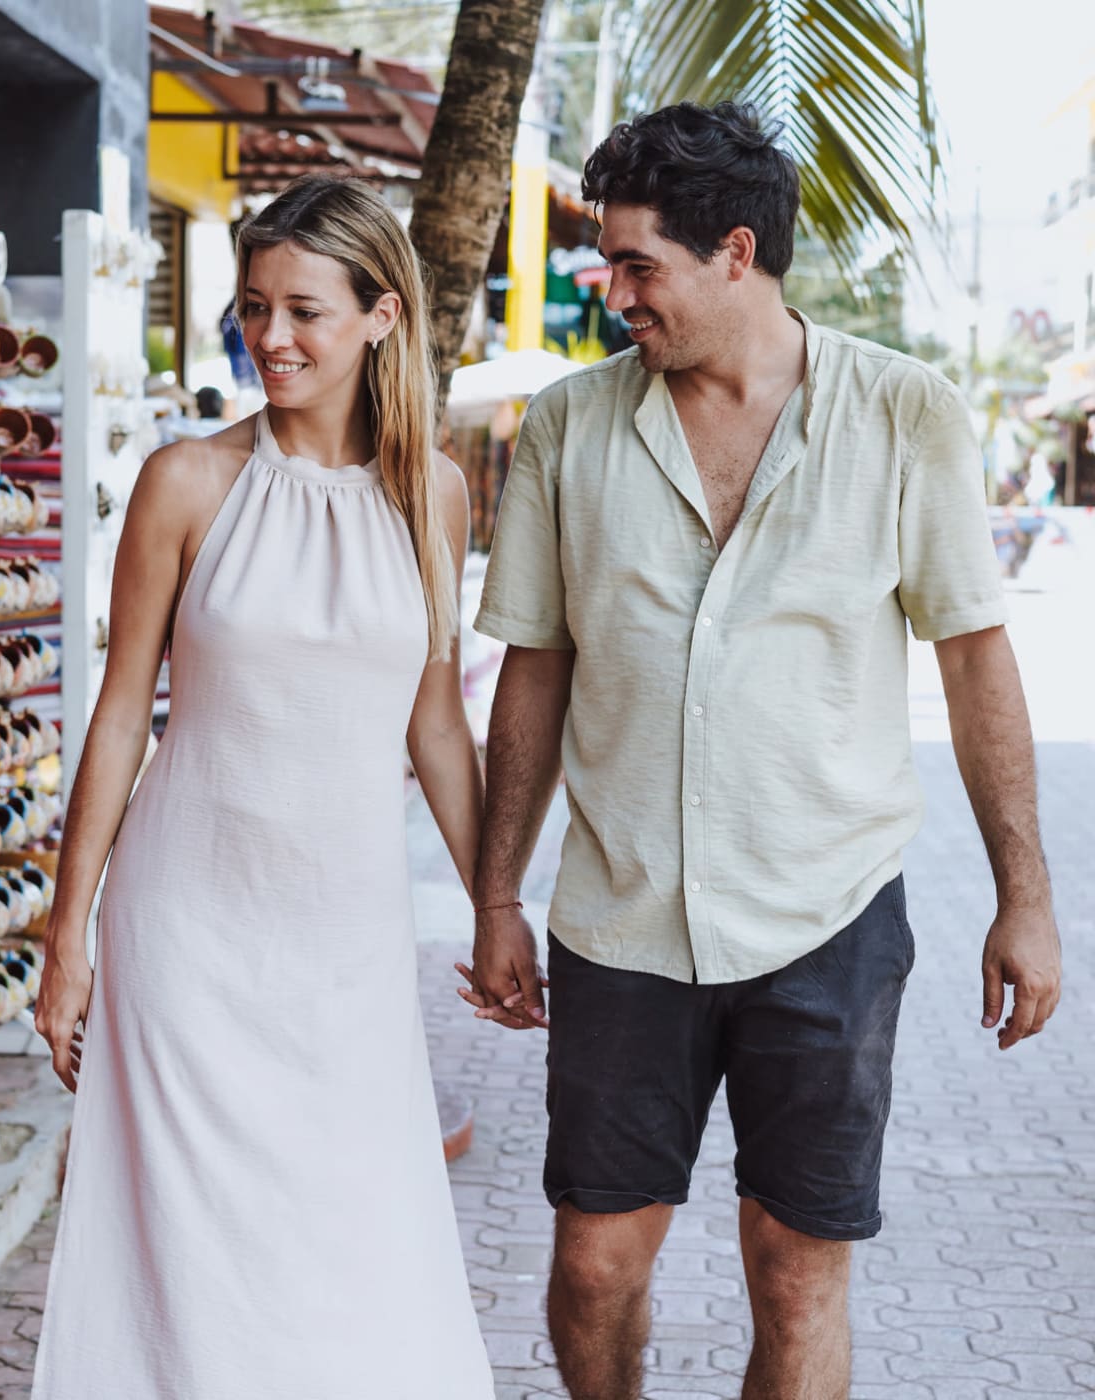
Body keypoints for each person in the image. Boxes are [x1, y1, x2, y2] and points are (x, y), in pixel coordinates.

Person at [462, 101, 1063, 1400]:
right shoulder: (568, 429)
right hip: (619, 926)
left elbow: (975, 664)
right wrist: (498, 893)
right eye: (605, 266)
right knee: (594, 1272)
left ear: (737, 253)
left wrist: (1026, 900)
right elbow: (533, 669)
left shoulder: (908, 416)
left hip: (829, 919)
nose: (613, 293)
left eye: (638, 269)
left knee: (798, 1280)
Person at [30, 174, 494, 1398]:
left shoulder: (434, 495)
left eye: (304, 311)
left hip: (346, 936)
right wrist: (65, 933)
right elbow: (121, 713)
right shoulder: (187, 482)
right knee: (190, 1251)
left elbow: (436, 727)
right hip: (185, 922)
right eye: (251, 308)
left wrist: (497, 905)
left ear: (382, 315)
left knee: (346, 1236)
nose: (270, 338)